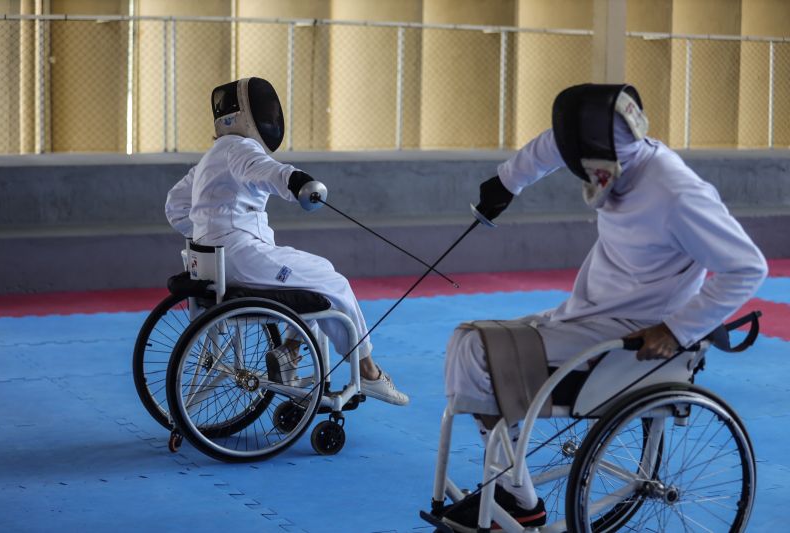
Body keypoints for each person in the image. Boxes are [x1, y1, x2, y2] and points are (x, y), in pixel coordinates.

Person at [441, 83, 768, 531]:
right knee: (466, 343)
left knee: (478, 349)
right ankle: (514, 488)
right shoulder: (609, 147)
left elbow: (747, 267)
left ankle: (517, 498)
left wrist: (675, 330)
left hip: (632, 331)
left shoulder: (676, 193)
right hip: (588, 311)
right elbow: (550, 147)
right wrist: (505, 182)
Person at [164, 77, 408, 406]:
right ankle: (368, 371)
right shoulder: (240, 149)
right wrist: (297, 181)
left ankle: (289, 354)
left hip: (215, 261)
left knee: (317, 271)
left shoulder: (213, 156)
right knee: (333, 284)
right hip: (241, 257)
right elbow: (264, 169)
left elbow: (175, 206)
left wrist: (205, 232)